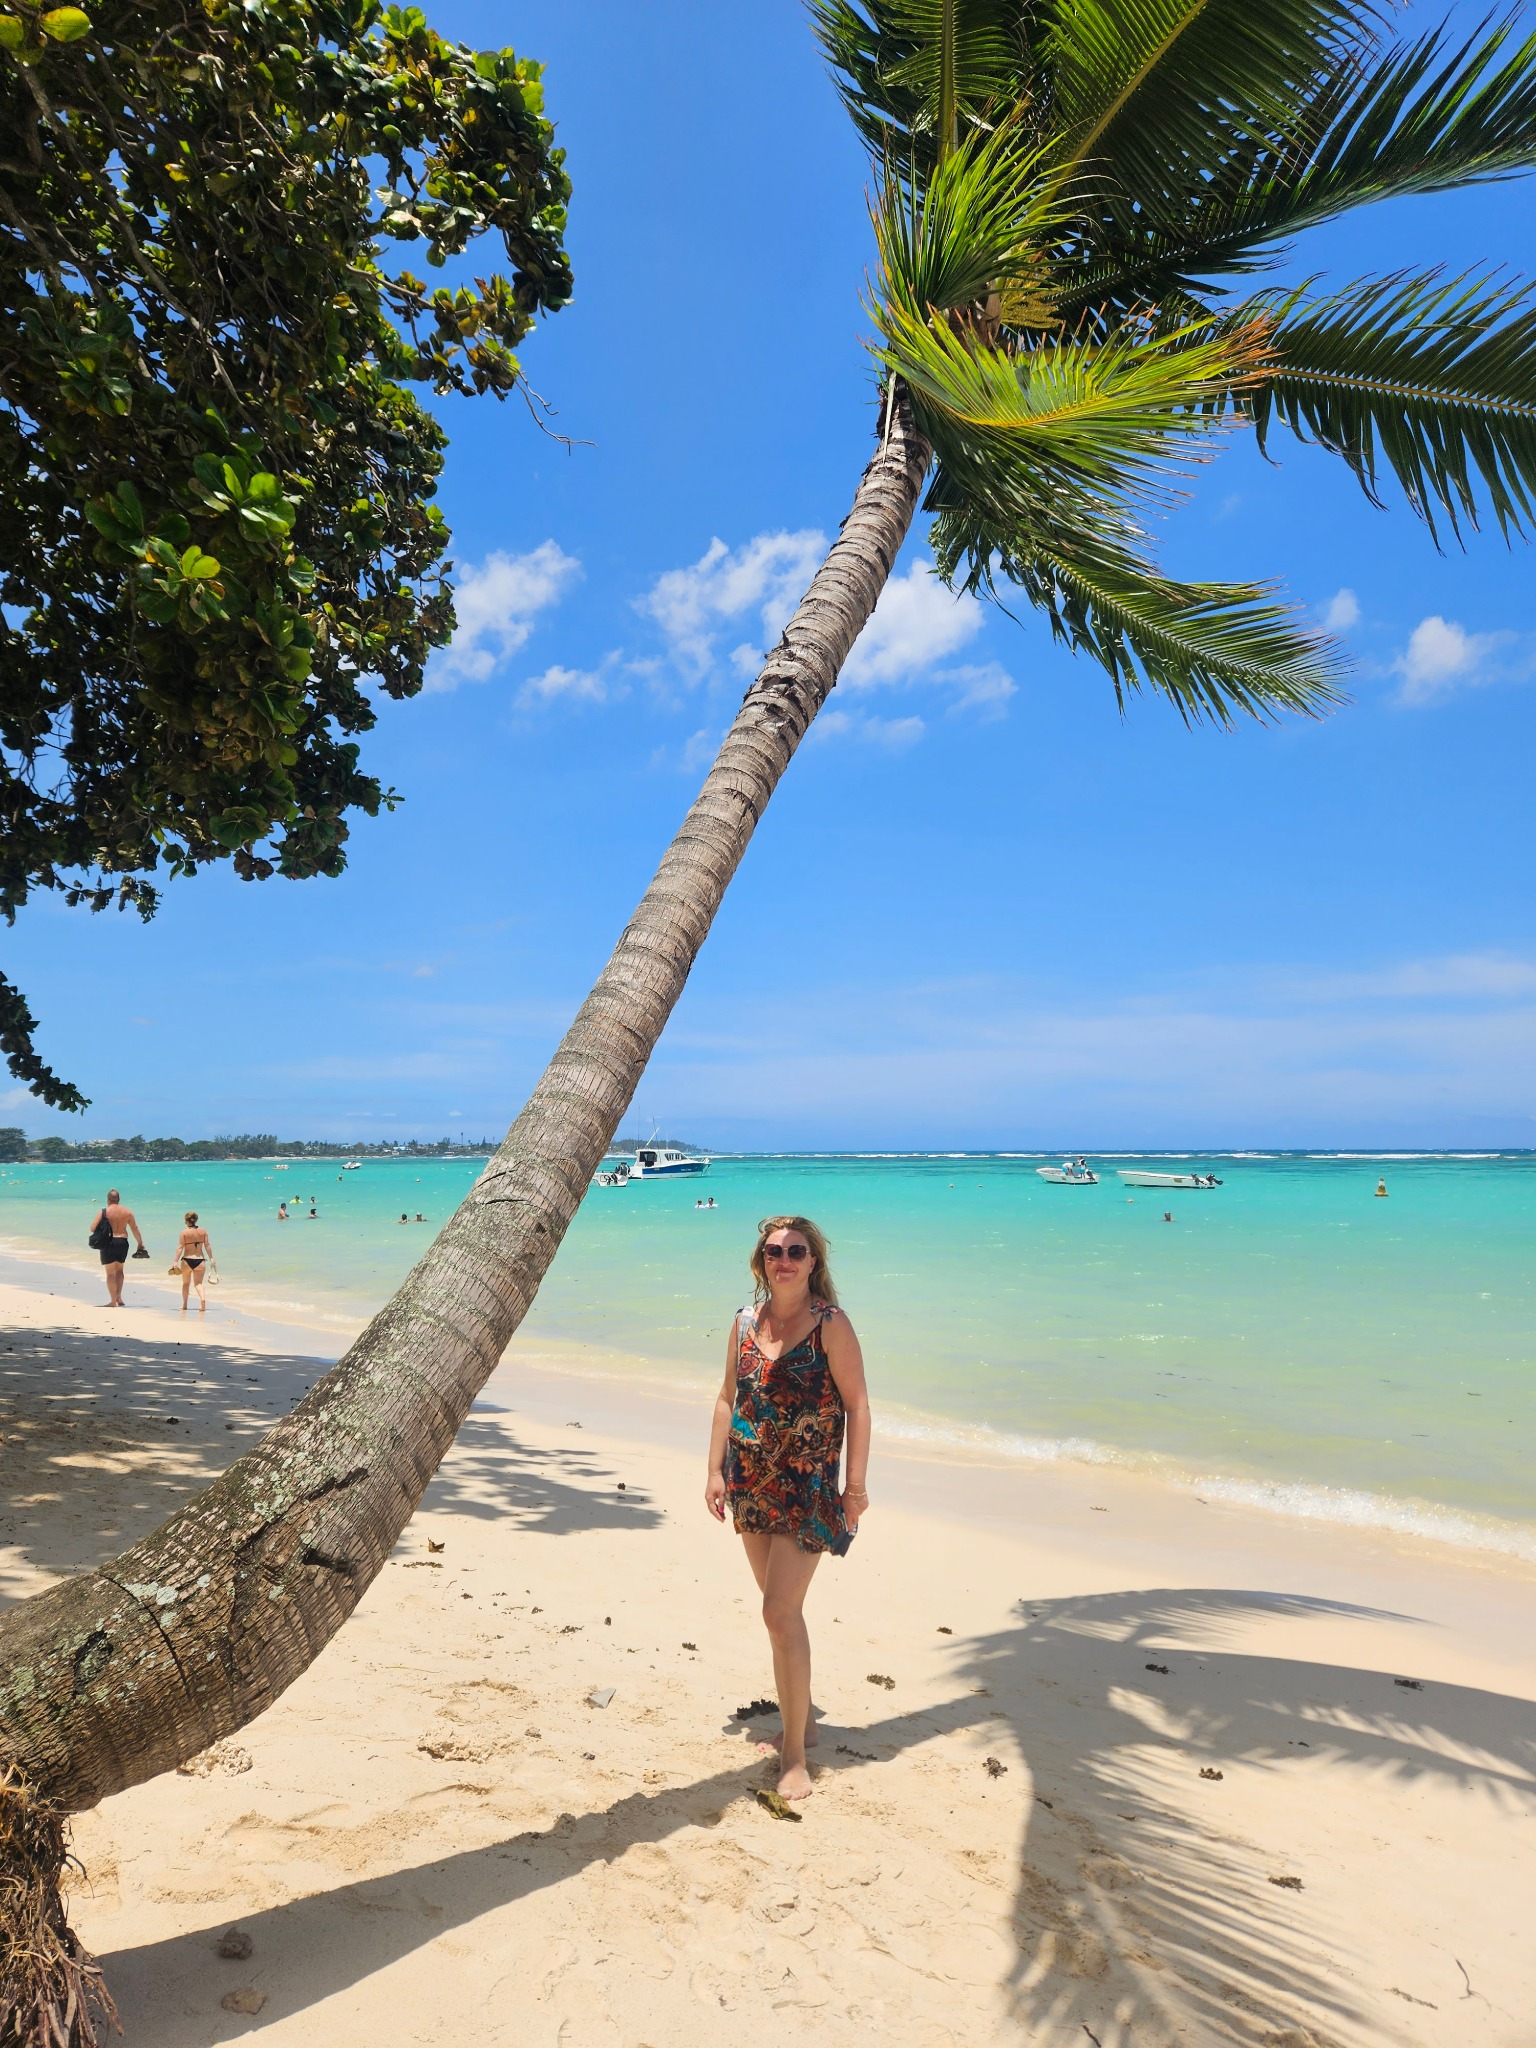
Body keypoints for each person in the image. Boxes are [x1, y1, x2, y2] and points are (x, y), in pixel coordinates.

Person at [706, 1215, 871, 1803]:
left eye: (796, 1251)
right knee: (783, 1615)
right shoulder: (744, 1322)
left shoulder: (831, 1324)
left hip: (807, 1489)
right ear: (762, 1261)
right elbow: (729, 1397)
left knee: (779, 1613)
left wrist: (854, 1487)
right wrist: (713, 1470)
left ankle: (797, 1757)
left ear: (813, 1261)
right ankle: (805, 1723)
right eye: (774, 1251)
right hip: (750, 1481)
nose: (785, 1260)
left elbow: (857, 1405)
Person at [91, 1188, 144, 1308]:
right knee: (119, 1270)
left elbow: (92, 1228)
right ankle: (119, 1297)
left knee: (110, 1273)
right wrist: (140, 1243)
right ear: (119, 1199)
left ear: (108, 1199)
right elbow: (134, 1228)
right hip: (122, 1242)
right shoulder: (127, 1212)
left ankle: (112, 1301)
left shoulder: (104, 1212)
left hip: (108, 1242)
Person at [173, 1210, 215, 1314]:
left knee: (186, 1283)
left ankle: (184, 1305)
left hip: (187, 1260)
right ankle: (202, 1300)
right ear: (195, 1220)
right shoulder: (203, 1231)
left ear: (186, 1221)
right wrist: (211, 1259)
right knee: (198, 1284)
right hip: (200, 1260)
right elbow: (207, 1245)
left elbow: (180, 1247)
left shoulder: (184, 1232)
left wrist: (175, 1261)